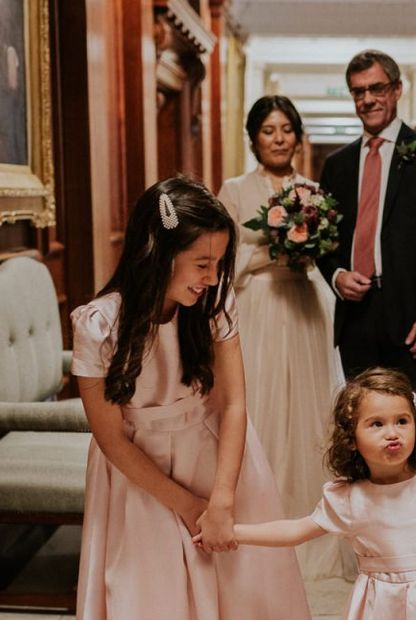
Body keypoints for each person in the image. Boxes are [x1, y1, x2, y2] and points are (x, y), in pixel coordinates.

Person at [71, 176, 310, 619]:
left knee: (243, 593)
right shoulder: (99, 325)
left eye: (219, 262)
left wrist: (221, 500)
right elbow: (111, 440)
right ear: (157, 253)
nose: (213, 277)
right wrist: (188, 506)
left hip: (215, 454)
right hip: (139, 473)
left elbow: (236, 403)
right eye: (202, 263)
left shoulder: (215, 302)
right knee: (150, 595)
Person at [198, 368, 416, 620]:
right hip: (383, 606)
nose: (392, 433)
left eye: (402, 421)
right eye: (376, 424)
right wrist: (234, 532)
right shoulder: (348, 498)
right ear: (351, 438)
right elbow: (295, 531)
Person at [217, 95, 349, 579]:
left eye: (286, 129)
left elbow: (328, 253)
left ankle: (308, 524)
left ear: (298, 136)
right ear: (253, 137)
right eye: (268, 129)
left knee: (307, 413)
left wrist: (303, 250)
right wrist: (264, 255)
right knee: (260, 409)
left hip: (303, 306)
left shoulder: (313, 191)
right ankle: (256, 522)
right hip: (257, 307)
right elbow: (221, 260)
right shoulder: (233, 191)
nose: (278, 138)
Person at [318, 49, 416, 407]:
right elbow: (324, 240)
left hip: (412, 317)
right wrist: (336, 274)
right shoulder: (336, 165)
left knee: (413, 419)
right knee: (359, 418)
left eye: (376, 88)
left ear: (397, 90)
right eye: (358, 91)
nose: (367, 99)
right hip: (355, 316)